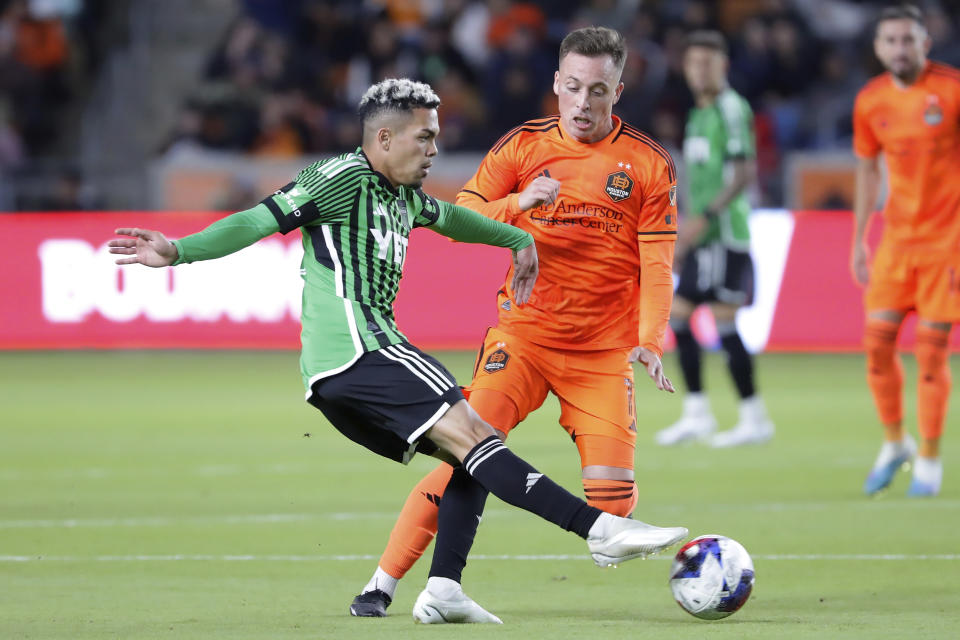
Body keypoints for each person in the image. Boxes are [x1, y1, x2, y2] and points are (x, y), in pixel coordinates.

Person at [107, 78, 688, 624]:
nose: (436, 147)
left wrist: (516, 236)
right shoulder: (341, 177)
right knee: (478, 435)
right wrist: (178, 251)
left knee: (471, 447)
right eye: (425, 136)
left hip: (351, 368)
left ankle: (443, 590)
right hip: (362, 350)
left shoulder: (404, 196)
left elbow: (458, 220)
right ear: (384, 138)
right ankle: (597, 529)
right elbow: (258, 220)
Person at [350, 28, 681, 620]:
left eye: (597, 91)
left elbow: (657, 266)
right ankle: (383, 582)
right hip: (522, 339)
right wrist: (520, 204)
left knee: (613, 501)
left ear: (618, 92)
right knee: (463, 448)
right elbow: (465, 214)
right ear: (556, 83)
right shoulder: (524, 147)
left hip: (601, 353)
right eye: (573, 87)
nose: (582, 103)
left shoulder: (649, 165)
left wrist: (650, 340)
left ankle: (601, 522)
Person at [852, 4, 959, 497]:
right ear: (879, 48)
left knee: (932, 352)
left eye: (907, 40)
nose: (899, 48)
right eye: (890, 40)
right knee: (876, 344)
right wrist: (859, 239)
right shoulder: (871, 101)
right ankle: (896, 442)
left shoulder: (952, 91)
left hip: (949, 243)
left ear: (924, 43)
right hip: (897, 242)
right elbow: (868, 171)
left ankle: (932, 458)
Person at [654, 31, 774, 448]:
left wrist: (702, 220)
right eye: (692, 63)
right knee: (681, 318)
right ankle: (698, 413)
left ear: (723, 65)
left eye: (707, 63)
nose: (699, 70)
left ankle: (753, 417)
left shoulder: (729, 108)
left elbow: (743, 174)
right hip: (702, 233)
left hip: (724, 232)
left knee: (722, 321)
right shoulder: (699, 114)